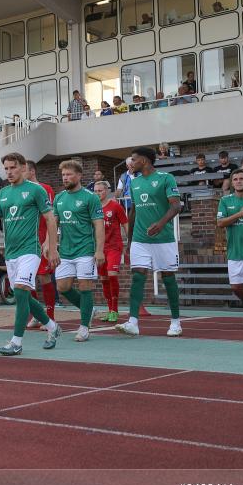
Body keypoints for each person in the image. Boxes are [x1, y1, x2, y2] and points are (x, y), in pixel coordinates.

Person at [0, 152, 62, 355]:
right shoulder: (2, 194)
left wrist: (53, 247)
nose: (9, 172)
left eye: (13, 167)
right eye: (6, 169)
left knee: (20, 291)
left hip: (30, 250)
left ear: (22, 168)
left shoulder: (35, 190)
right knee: (24, 297)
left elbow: (51, 219)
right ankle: (53, 328)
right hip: (11, 253)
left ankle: (16, 342)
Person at [115, 146, 183, 338]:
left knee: (168, 277)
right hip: (140, 239)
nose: (131, 163)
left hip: (164, 238)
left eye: (134, 160)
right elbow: (134, 211)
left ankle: (176, 322)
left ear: (144, 161)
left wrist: (161, 224)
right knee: (138, 276)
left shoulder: (165, 178)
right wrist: (129, 239)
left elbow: (176, 205)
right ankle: (133, 322)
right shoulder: (134, 182)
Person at [52, 161, 105, 342]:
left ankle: (84, 328)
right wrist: (48, 244)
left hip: (85, 250)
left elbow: (99, 225)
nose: (65, 177)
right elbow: (54, 224)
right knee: (63, 287)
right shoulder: (59, 198)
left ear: (79, 175)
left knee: (85, 288)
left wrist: (99, 250)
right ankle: (88, 310)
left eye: (69, 174)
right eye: (63, 175)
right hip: (65, 251)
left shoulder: (91, 197)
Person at [216, 169, 243, 331]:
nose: (238, 181)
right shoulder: (225, 200)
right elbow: (220, 223)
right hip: (235, 252)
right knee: (236, 288)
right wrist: (240, 214)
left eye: (242, 178)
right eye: (235, 179)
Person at [24, 161, 58, 329]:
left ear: (31, 171)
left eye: (23, 170)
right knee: (27, 280)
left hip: (42, 239)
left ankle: (49, 317)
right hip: (26, 242)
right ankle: (38, 315)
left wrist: (48, 241)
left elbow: (50, 217)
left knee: (44, 277)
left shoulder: (45, 188)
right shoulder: (20, 190)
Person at [94, 181, 128, 323]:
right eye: (95, 191)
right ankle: (109, 310)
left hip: (114, 246)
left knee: (112, 274)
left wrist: (130, 243)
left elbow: (126, 223)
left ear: (107, 191)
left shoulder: (115, 206)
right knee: (103, 279)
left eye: (100, 191)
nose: (98, 193)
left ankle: (115, 310)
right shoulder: (93, 208)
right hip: (100, 249)